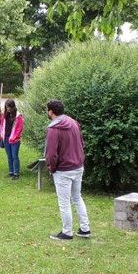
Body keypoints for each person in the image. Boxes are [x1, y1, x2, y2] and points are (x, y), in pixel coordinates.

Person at [45, 99, 91, 240]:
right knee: (77, 197)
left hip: (63, 170)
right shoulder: (73, 122)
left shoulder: (54, 129)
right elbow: (82, 142)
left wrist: (51, 168)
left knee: (64, 202)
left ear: (51, 112)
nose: (47, 112)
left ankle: (67, 232)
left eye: (47, 110)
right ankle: (85, 229)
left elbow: (51, 154)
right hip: (78, 166)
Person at [0, 99, 24, 180]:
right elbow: (1, 125)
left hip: (15, 139)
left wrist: (14, 137)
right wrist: (2, 134)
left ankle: (16, 173)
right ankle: (11, 172)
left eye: (9, 107)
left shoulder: (18, 116)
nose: (8, 109)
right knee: (9, 156)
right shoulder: (4, 114)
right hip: (6, 138)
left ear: (13, 107)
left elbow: (19, 128)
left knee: (14, 156)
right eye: (6, 107)